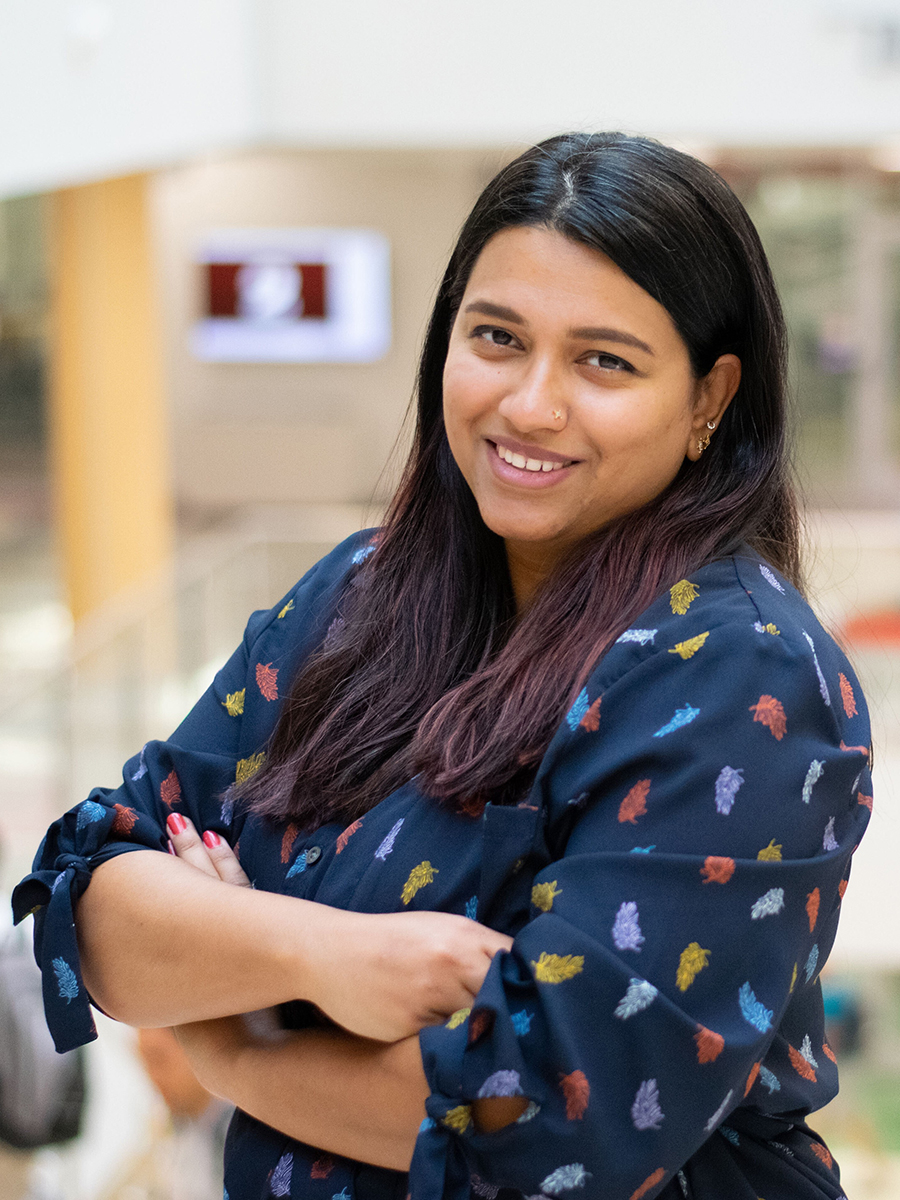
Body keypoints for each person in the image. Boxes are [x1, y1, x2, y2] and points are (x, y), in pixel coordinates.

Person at [13, 132, 872, 1200]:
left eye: (605, 361)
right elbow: (88, 894)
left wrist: (231, 1044)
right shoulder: (360, 595)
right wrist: (321, 957)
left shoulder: (740, 676)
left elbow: (557, 1111)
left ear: (709, 398)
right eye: (498, 337)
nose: (529, 405)